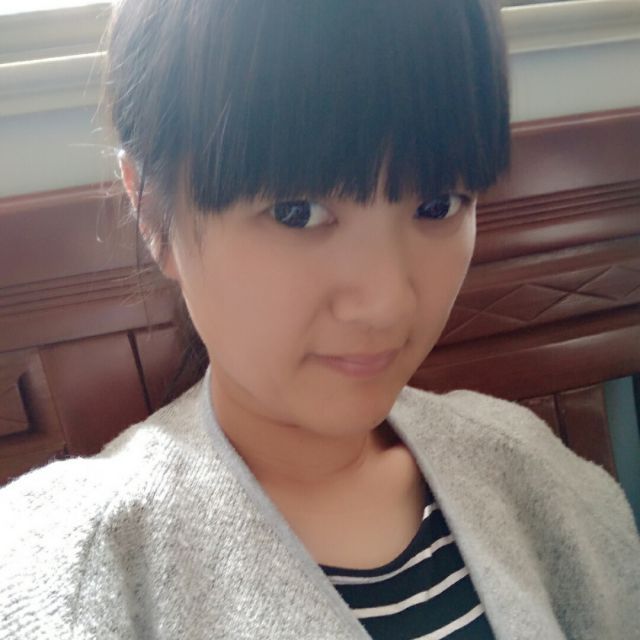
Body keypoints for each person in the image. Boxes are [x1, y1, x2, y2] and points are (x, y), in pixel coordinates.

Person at [1, 1, 638, 638]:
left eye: (439, 204)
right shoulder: (79, 563)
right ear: (152, 217)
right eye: (296, 213)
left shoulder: (527, 468)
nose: (386, 304)